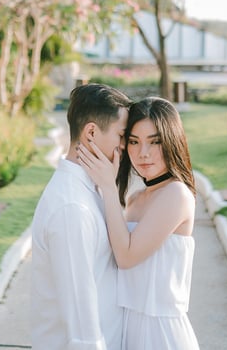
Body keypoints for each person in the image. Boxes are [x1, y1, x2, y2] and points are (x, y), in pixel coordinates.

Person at [78, 96, 200, 349]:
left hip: (161, 333)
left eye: (155, 142)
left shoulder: (176, 194)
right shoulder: (135, 198)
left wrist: (109, 188)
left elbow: (126, 257)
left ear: (172, 141)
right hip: (128, 327)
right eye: (134, 141)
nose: (143, 153)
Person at [31, 82, 132, 350]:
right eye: (121, 136)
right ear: (90, 133)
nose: (124, 147)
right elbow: (80, 321)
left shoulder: (91, 190)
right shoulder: (71, 208)